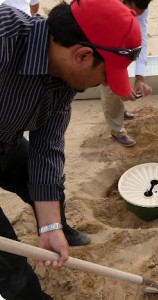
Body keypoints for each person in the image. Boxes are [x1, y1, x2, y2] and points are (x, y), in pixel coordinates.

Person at [0, 0, 141, 298]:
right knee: (8, 261)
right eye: (105, 75)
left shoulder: (64, 81)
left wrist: (49, 225)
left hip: (5, 141)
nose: (102, 84)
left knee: (41, 178)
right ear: (82, 55)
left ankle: (58, 226)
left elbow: (47, 148)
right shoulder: (4, 37)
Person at [100, 0, 152, 147]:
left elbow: (141, 37)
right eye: (133, 10)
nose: (135, 15)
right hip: (99, 35)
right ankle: (116, 130)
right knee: (108, 78)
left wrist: (139, 77)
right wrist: (118, 86)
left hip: (115, 31)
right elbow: (109, 55)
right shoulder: (105, 6)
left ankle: (118, 108)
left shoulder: (140, 6)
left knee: (124, 58)